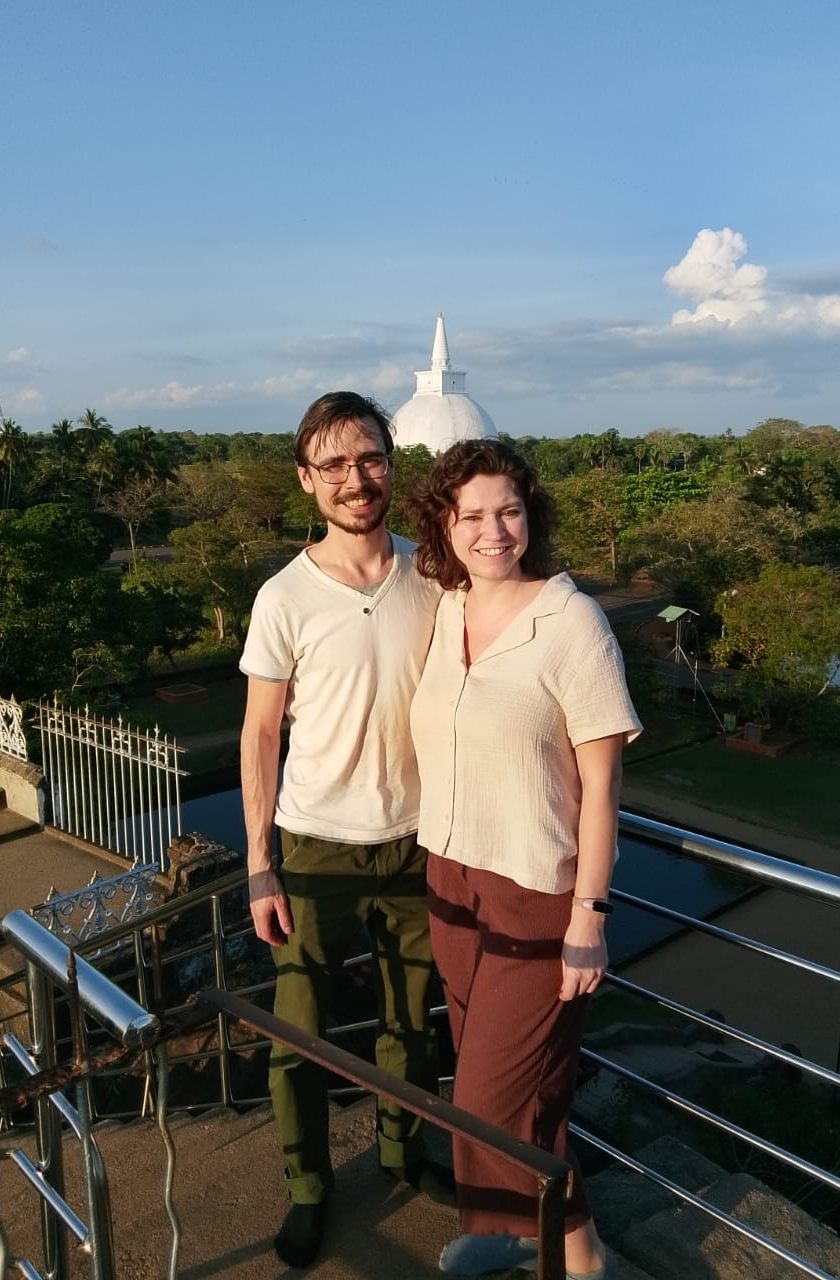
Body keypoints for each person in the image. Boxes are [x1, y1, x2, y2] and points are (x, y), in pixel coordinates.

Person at [407, 439, 642, 1280]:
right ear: (446, 523)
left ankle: (554, 1248)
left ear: (531, 517)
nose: (491, 531)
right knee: (524, 1099)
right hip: (450, 881)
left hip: (538, 894)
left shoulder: (571, 621)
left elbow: (603, 787)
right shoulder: (446, 607)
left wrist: (590, 917)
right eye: (470, 514)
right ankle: (540, 1244)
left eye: (507, 510)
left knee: (487, 1098)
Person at [239, 391, 452, 1269]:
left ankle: (403, 1152)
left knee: (411, 1018)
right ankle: (308, 1187)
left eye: (369, 460)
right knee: (300, 1034)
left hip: (414, 839)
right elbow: (258, 735)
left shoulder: (432, 575)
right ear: (306, 481)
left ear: (390, 465)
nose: (355, 480)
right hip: (316, 846)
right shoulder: (284, 596)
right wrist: (260, 865)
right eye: (334, 465)